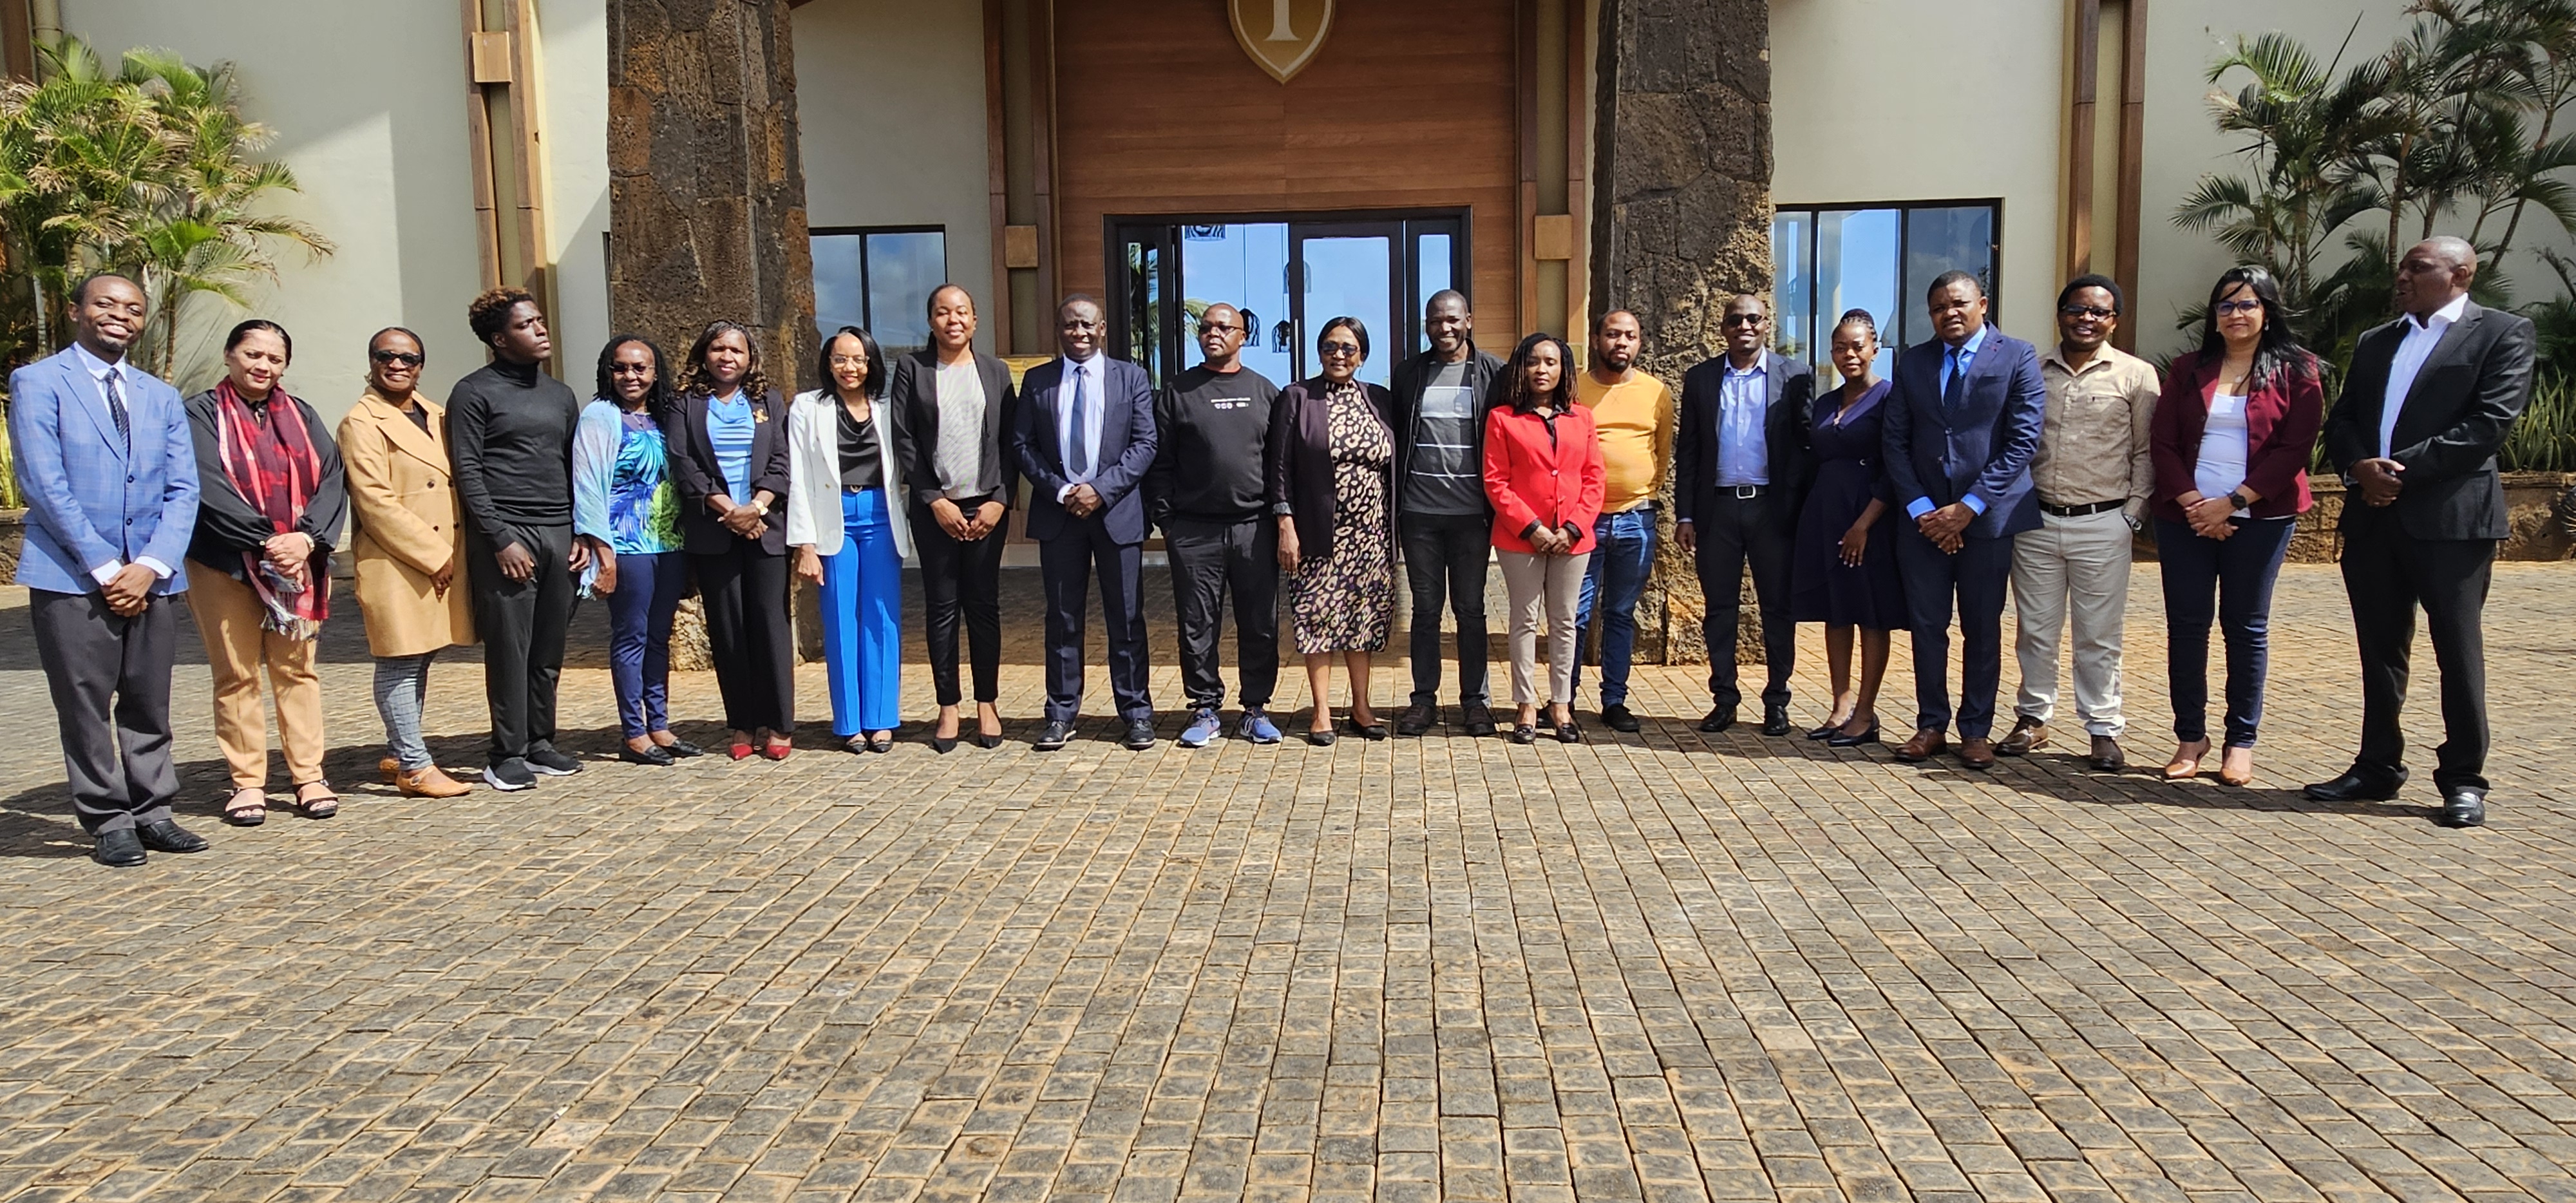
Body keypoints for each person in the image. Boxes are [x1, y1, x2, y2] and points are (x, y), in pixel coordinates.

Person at [2309, 237, 2537, 827]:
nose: (2402, 276)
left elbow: (2488, 424)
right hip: (2373, 517)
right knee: (2380, 650)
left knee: (2456, 651)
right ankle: (2378, 766)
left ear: (2460, 275)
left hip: (2451, 522)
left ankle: (2464, 779)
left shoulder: (2502, 333)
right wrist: (2359, 469)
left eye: (2418, 267)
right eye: (2403, 267)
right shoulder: (2377, 341)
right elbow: (2345, 419)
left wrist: (2397, 473)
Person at [12, 274, 206, 867]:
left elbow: (184, 489)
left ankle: (154, 812)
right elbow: (44, 483)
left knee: (149, 699)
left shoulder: (160, 395)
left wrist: (149, 565)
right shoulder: (39, 382)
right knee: (85, 701)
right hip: (71, 576)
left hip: (153, 577)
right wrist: (104, 565)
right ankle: (107, 818)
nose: (120, 315)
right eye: (106, 303)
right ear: (76, 311)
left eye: (133, 308)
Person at [2148, 266, 2324, 788]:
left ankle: (2240, 741)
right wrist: (2196, 505)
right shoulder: (2188, 368)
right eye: (2226, 306)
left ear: (2268, 310)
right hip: (2186, 516)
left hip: (2262, 516)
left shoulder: (2300, 370)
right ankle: (2190, 737)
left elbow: (2295, 448)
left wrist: (2233, 503)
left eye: (2247, 304)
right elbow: (2163, 443)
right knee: (2187, 625)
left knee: (2246, 628)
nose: (2236, 314)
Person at [182, 319, 348, 825]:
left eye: (274, 359)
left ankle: (308, 776)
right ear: (230, 356)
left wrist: (306, 539)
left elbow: (332, 477)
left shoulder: (302, 414)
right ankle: (247, 781)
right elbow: (205, 480)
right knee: (236, 673)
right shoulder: (200, 413)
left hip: (297, 566)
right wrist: (264, 539)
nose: (263, 366)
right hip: (223, 561)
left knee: (296, 670)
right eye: (253, 355)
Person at [1883, 270, 2047, 770]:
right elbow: (1895, 441)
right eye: (1938, 308)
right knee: (1928, 626)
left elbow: (2023, 440)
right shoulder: (1914, 362)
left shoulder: (2017, 356)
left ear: (1983, 303)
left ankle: (1976, 730)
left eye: (1958, 304)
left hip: (1987, 520)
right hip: (1923, 522)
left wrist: (1967, 508)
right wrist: (1923, 511)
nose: (1948, 314)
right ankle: (1931, 724)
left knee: (1982, 627)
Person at [2000, 276, 2161, 772]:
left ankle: (2103, 729)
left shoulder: (2136, 375)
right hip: (2037, 521)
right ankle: (2033, 718)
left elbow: (2146, 451)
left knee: (2099, 634)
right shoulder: (2032, 371)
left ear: (2114, 321)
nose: (2086, 319)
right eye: (2077, 309)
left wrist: (2131, 517)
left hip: (2104, 520)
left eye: (2099, 312)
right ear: (2060, 314)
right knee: (2036, 630)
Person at [450, 286, 587, 791]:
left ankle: (539, 743)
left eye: (539, 321)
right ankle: (505, 753)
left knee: (548, 646)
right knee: (511, 648)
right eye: (526, 325)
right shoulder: (474, 392)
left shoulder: (560, 395)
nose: (541, 329)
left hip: (559, 533)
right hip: (508, 536)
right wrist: (500, 538)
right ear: (498, 339)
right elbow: (467, 470)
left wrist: (581, 533)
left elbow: (575, 467)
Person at [1014, 295, 1159, 751]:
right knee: (1062, 619)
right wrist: (1061, 490)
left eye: (1087, 325)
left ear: (1102, 330)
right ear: (1058, 330)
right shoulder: (1037, 381)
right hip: (1060, 515)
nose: (1079, 332)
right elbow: (1022, 445)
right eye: (1070, 325)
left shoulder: (1131, 377)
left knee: (1128, 618)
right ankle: (1060, 713)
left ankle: (1136, 713)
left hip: (1115, 513)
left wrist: (1101, 489)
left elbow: (1145, 443)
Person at [341, 327, 478, 799]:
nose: (397, 365)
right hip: (399, 560)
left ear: (421, 364)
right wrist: (434, 554)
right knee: (399, 659)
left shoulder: (437, 415)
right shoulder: (361, 422)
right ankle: (416, 767)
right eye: (387, 356)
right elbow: (374, 501)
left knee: (422, 655)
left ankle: (401, 750)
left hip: (444, 559)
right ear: (372, 360)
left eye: (409, 358)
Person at [1674, 294, 1815, 736]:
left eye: (1753, 319)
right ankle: (1724, 699)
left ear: (1767, 324)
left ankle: (1777, 701)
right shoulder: (1700, 379)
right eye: (1735, 320)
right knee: (1720, 610)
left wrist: (1802, 509)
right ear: (1723, 328)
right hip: (1716, 509)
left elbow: (1806, 445)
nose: (1745, 327)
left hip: (1772, 510)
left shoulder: (1795, 376)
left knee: (1778, 607)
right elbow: (1690, 451)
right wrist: (1684, 514)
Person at [1148, 302, 1284, 747]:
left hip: (1254, 527)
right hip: (1194, 531)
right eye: (1205, 327)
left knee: (1259, 622)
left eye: (1224, 327)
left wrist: (1281, 519)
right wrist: (1168, 522)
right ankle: (1205, 708)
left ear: (1242, 335)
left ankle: (1255, 709)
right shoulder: (1178, 392)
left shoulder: (1265, 391)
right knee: (1197, 623)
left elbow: (1280, 465)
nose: (1213, 333)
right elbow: (1160, 462)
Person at [887, 284, 1018, 750]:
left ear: (975, 320)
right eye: (943, 312)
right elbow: (904, 438)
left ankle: (987, 704)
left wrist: (1000, 500)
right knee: (942, 608)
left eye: (962, 311)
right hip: (934, 508)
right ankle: (948, 706)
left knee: (983, 607)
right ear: (931, 321)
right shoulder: (912, 369)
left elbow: (1009, 442)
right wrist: (933, 499)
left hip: (987, 506)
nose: (953, 319)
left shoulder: (995, 371)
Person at [661, 319, 796, 760]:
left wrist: (755, 509)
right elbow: (684, 464)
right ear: (704, 354)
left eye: (736, 350)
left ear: (750, 358)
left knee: (770, 626)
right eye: (718, 349)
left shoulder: (768, 401)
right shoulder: (685, 404)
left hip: (764, 528)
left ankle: (778, 723)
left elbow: (781, 461)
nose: (727, 357)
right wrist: (729, 510)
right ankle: (741, 722)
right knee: (729, 629)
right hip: (715, 530)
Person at [1270, 316, 1397, 745]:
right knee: (1318, 620)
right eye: (1329, 347)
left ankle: (1361, 707)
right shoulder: (1299, 397)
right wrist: (1286, 524)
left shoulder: (1379, 400)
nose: (1338, 355)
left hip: (1371, 537)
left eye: (1348, 348)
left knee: (1362, 622)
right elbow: (1280, 468)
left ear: (1362, 355)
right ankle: (1322, 712)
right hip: (1319, 534)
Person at [573, 334, 700, 766]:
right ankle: (634, 731)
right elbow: (588, 486)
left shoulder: (666, 417)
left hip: (668, 542)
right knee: (632, 637)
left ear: (655, 372)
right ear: (607, 372)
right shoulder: (600, 416)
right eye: (621, 367)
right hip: (626, 545)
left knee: (659, 638)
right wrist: (601, 553)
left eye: (640, 368)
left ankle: (660, 723)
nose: (631, 376)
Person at [788, 327, 914, 754]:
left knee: (882, 617)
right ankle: (849, 722)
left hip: (880, 515)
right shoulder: (808, 407)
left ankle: (881, 720)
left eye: (858, 359)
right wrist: (804, 544)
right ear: (828, 362)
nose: (850, 367)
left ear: (871, 363)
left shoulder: (885, 409)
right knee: (841, 618)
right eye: (841, 359)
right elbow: (800, 478)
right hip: (833, 518)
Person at [1787, 310, 1908, 747]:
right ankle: (1840, 706)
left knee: (1870, 614)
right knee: (1835, 611)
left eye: (1857, 346)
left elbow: (1895, 467)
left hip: (1870, 517)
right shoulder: (1824, 402)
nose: (1849, 354)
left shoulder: (1892, 399)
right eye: (1840, 347)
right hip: (1826, 514)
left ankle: (1866, 712)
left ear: (1875, 348)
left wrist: (1864, 525)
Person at [1390, 289, 1502, 737]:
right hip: (1419, 514)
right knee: (1425, 610)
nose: (1445, 328)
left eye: (1453, 319)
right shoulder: (1410, 373)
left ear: (1469, 320)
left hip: (1473, 516)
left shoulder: (1494, 372)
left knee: (1471, 609)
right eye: (1435, 321)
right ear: (1426, 325)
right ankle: (1422, 701)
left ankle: (1475, 702)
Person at [1485, 333, 1605, 744]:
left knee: (1565, 620)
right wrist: (1533, 527)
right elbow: (1496, 481)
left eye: (1551, 362)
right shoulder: (1503, 418)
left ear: (1563, 369)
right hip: (1522, 538)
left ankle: (1561, 702)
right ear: (1522, 368)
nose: (1543, 370)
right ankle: (1524, 703)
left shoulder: (1582, 418)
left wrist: (1572, 527)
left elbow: (1594, 477)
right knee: (1523, 619)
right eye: (1535, 362)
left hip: (1574, 538)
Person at [1571, 309, 1673, 734]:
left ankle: (1614, 701)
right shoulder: (1575, 387)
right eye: (1613, 334)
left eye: (1629, 336)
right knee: (1572, 614)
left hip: (1636, 520)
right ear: (1597, 339)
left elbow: (1662, 451)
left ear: (1640, 343)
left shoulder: (1656, 392)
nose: (1621, 343)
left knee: (1619, 613)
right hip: (1583, 521)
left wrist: (1642, 492)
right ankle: (1565, 698)